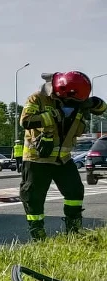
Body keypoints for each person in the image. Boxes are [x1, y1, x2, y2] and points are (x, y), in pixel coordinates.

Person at [18, 70, 106, 239]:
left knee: (75, 192)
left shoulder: (79, 101)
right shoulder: (38, 98)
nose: (72, 104)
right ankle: (37, 232)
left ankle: (73, 229)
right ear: (62, 92)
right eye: (70, 100)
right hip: (38, 159)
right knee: (33, 197)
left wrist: (93, 103)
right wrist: (52, 116)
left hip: (63, 160)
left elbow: (102, 108)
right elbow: (26, 121)